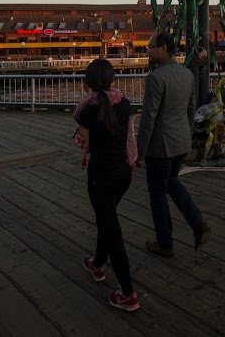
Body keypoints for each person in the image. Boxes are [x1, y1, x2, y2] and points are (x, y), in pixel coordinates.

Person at [136, 31, 210, 257]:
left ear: (163, 48)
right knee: (171, 183)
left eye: (150, 46)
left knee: (157, 193)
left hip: (161, 146)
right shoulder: (186, 74)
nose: (147, 50)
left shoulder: (156, 78)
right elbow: (191, 109)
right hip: (180, 143)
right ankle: (198, 223)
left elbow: (149, 118)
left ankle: (165, 243)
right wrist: (187, 136)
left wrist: (140, 152)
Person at [74, 59, 139, 312]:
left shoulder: (86, 112)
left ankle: (128, 293)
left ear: (88, 82)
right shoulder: (124, 103)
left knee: (112, 229)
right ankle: (98, 263)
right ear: (112, 79)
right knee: (107, 218)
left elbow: (86, 144)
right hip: (122, 173)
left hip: (101, 175)